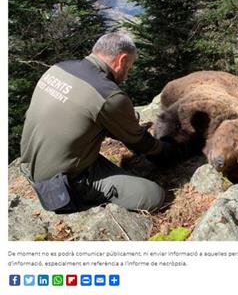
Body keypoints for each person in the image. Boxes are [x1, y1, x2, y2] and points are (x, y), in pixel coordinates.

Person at [20, 32, 174, 213]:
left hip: (30, 164)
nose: (127, 73)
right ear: (122, 60)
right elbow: (139, 142)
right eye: (129, 67)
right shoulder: (108, 94)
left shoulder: (58, 68)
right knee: (153, 195)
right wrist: (167, 150)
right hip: (62, 184)